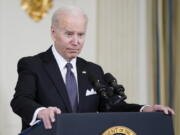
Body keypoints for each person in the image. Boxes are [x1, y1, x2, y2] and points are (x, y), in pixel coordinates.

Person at [10, 6, 174, 131]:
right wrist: (40, 112)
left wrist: (145, 109)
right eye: (69, 34)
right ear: (53, 33)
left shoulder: (92, 70)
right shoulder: (33, 65)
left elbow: (111, 107)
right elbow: (20, 100)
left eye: (81, 35)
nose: (76, 41)